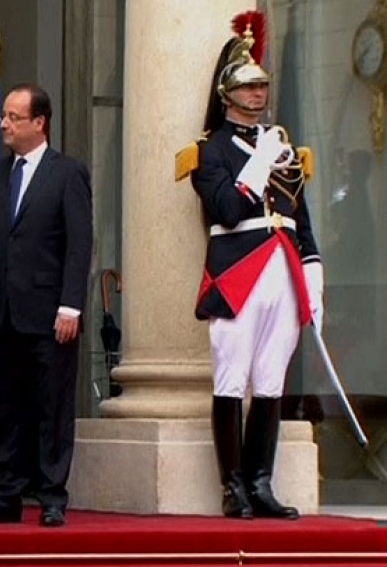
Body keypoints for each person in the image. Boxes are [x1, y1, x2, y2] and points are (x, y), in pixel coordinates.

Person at [178, 11, 322, 520]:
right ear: (227, 94)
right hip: (237, 273)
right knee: (232, 380)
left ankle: (261, 482)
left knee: (271, 382)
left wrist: (314, 279)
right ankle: (232, 485)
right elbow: (229, 209)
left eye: (262, 86)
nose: (258, 95)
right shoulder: (209, 152)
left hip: (282, 272)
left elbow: (299, 221)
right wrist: (261, 161)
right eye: (248, 86)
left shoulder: (283, 148)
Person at [0, 83, 93, 528]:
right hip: (7, 313)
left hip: (51, 314)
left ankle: (51, 495)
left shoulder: (68, 174)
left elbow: (78, 245)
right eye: (4, 116)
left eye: (13, 117)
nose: (3, 124)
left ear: (39, 122)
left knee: (51, 407)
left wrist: (71, 306)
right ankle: (7, 496)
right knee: (8, 407)